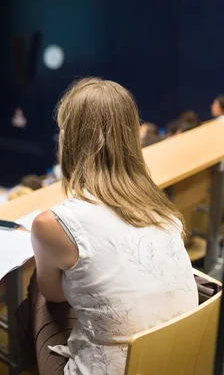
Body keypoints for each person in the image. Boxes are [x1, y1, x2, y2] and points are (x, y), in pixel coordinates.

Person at [19, 78, 197, 375]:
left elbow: (55, 296)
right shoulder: (163, 209)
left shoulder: (51, 224)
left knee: (36, 293)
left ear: (67, 139)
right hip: (179, 360)